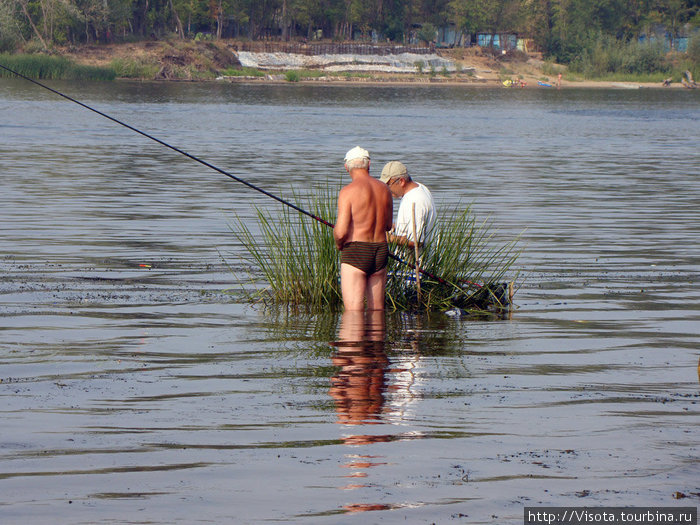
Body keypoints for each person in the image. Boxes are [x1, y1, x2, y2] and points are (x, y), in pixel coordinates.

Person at [334, 146, 393, 311]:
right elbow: (388, 226)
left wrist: (339, 244)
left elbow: (340, 232)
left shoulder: (348, 192)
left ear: (347, 167)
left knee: (354, 313)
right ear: (369, 165)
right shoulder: (385, 189)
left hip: (356, 251)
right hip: (380, 251)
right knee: (376, 311)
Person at [379, 161, 436, 250]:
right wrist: (394, 227)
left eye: (388, 185)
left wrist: (387, 238)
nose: (387, 189)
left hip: (418, 263)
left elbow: (415, 242)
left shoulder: (415, 200)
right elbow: (412, 226)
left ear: (401, 181)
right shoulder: (420, 188)